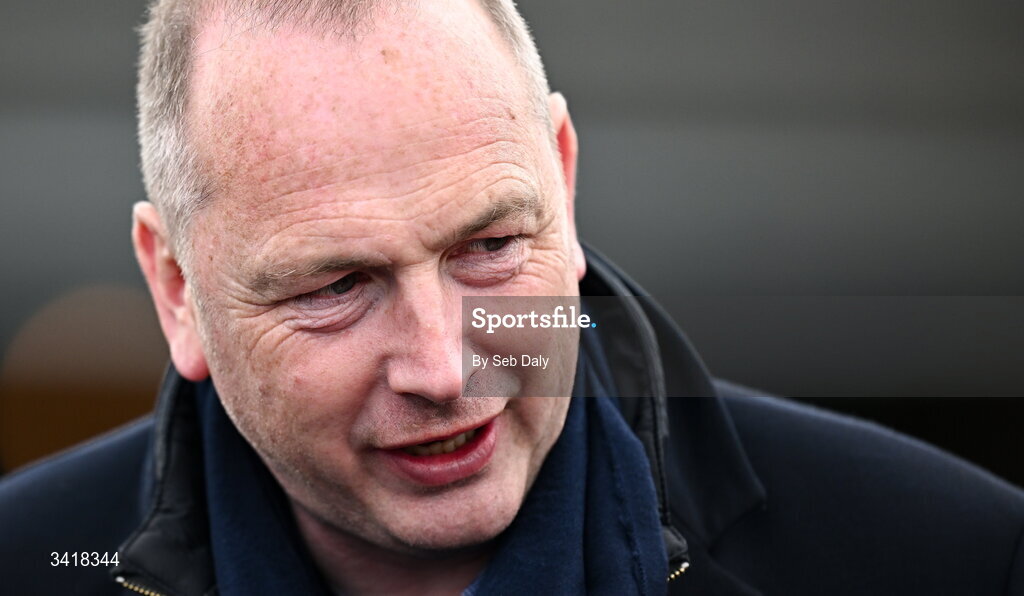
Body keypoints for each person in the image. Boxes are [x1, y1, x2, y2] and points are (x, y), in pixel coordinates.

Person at [2, 0, 1023, 594]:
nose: (446, 366)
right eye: (334, 286)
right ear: (176, 289)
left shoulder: (947, 559)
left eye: (489, 246)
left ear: (564, 187)